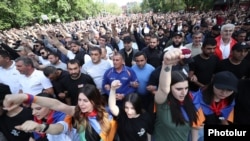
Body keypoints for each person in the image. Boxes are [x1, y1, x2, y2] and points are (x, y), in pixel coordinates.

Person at [4, 84, 117, 141]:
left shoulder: (105, 114)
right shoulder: (76, 113)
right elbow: (57, 105)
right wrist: (28, 98)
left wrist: (112, 89)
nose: (81, 104)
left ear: (94, 101)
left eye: (85, 101)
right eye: (79, 100)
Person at [154, 48, 205, 141]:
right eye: (178, 89)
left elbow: (195, 127)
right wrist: (167, 65)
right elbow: (163, 88)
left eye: (186, 88)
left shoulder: (193, 100)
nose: (183, 93)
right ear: (170, 88)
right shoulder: (162, 101)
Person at [14, 93, 79, 141]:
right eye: (32, 109)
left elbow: (59, 129)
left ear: (51, 107)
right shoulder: (38, 118)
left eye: (38, 109)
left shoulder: (64, 117)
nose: (33, 113)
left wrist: (41, 127)